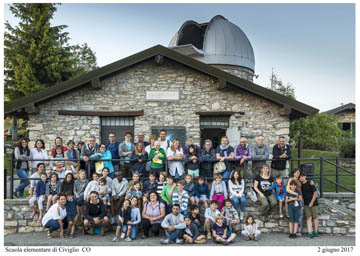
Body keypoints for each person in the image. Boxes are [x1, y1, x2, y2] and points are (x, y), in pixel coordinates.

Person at [299, 172, 319, 239]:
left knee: (315, 217)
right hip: (306, 203)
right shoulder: (300, 185)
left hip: (313, 203)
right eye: (300, 176)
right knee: (308, 217)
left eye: (303, 176)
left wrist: (312, 202)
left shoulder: (310, 183)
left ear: (305, 176)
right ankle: (310, 233)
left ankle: (316, 232)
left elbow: (315, 193)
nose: (301, 177)